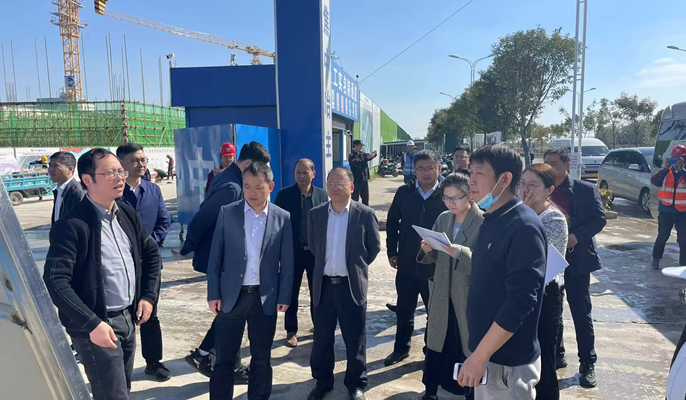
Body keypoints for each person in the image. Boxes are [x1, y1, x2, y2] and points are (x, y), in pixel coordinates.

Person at [43, 148, 161, 400]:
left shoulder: (126, 214)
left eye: (120, 171)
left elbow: (151, 253)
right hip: (97, 325)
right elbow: (55, 280)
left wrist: (148, 296)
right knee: (113, 395)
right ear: (87, 179)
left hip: (128, 318)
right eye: (110, 173)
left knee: (123, 389)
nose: (119, 178)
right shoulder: (72, 226)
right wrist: (91, 324)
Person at [457, 144, 547, 400]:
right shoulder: (492, 218)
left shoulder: (523, 226)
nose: (471, 181)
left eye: (479, 173)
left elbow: (520, 301)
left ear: (505, 179)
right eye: (470, 173)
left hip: (507, 363)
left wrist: (480, 356)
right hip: (488, 355)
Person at [177, 141, 270, 381]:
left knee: (231, 310)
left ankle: (204, 354)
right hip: (226, 260)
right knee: (233, 312)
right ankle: (216, 360)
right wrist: (188, 246)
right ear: (249, 163)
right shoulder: (232, 186)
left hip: (230, 257)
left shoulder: (228, 176)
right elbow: (205, 215)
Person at [206, 162, 294, 400]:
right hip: (231, 297)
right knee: (224, 358)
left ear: (270, 187)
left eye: (258, 187)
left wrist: (284, 295)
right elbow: (215, 257)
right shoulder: (228, 213)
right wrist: (214, 293)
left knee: (261, 358)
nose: (252, 193)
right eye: (247, 186)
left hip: (264, 298)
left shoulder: (282, 217)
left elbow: (287, 262)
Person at [306, 167, 381, 400]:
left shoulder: (365, 214)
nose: (335, 188)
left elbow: (373, 248)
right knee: (322, 339)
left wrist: (356, 267)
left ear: (351, 187)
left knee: (355, 338)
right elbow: (313, 246)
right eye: (331, 183)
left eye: (340, 184)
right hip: (324, 286)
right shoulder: (316, 214)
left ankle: (356, 384)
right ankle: (322, 382)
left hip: (351, 286)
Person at [417, 172, 483, 400]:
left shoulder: (482, 221)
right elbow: (435, 255)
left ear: (470, 195)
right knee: (437, 342)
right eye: (446, 198)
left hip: (466, 294)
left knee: (464, 343)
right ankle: (431, 389)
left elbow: (487, 262)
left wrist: (461, 252)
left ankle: (468, 391)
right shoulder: (444, 218)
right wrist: (428, 249)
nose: (450, 203)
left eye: (456, 198)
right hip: (442, 291)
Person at [544, 147, 606, 389]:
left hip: (577, 260)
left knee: (581, 313)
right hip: (550, 260)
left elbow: (599, 219)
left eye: (554, 164)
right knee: (553, 309)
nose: (550, 168)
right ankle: (557, 354)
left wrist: (576, 236)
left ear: (567, 165)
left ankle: (587, 363)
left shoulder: (584, 190)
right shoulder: (543, 189)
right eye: (547, 163)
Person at [116, 143, 173, 381]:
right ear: (121, 163)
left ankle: (153, 362)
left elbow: (164, 220)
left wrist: (150, 245)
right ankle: (119, 368)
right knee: (121, 316)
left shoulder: (153, 190)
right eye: (135, 160)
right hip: (121, 265)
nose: (141, 164)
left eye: (143, 160)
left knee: (150, 313)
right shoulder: (115, 192)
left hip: (149, 265)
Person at [385, 150, 447, 366]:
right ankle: (401, 349)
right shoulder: (405, 192)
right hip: (407, 262)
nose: (426, 173)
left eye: (430, 168)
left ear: (439, 169)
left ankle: (432, 351)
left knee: (435, 312)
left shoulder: (447, 194)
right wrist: (392, 252)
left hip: (436, 265)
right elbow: (392, 222)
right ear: (414, 170)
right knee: (404, 310)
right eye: (421, 169)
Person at [520, 164, 569, 400]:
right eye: (522, 184)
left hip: (545, 296)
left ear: (549, 190)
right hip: (519, 294)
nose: (525, 190)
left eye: (532, 185)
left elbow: (538, 262)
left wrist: (523, 214)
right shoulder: (517, 211)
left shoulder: (554, 219)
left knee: (543, 363)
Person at [274, 158, 328, 348]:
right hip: (292, 253)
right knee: (291, 292)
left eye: (305, 172)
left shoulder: (322, 195)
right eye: (298, 172)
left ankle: (319, 327)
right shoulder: (284, 195)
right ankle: (291, 331)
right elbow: (276, 226)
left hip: (314, 253)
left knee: (317, 293)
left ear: (313, 174)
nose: (301, 176)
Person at [650, 145, 686, 270]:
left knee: (684, 240)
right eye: (674, 158)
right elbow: (655, 182)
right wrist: (665, 169)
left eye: (679, 158)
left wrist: (682, 170)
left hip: (683, 212)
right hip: (666, 210)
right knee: (662, 236)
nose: (676, 161)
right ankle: (655, 259)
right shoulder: (666, 171)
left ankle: (683, 266)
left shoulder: (684, 172)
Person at [48, 151, 85, 224]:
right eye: (50, 165)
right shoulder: (59, 191)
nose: (51, 169)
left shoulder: (77, 193)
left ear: (70, 169)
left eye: (56, 166)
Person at [348, 140, 377, 206]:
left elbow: (368, 156)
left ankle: (366, 210)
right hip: (357, 180)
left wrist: (374, 154)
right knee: (355, 198)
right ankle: (354, 210)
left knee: (365, 198)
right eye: (360, 145)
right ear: (355, 146)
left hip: (364, 179)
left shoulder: (361, 154)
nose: (361, 147)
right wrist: (367, 158)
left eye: (362, 146)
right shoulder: (352, 156)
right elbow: (359, 163)